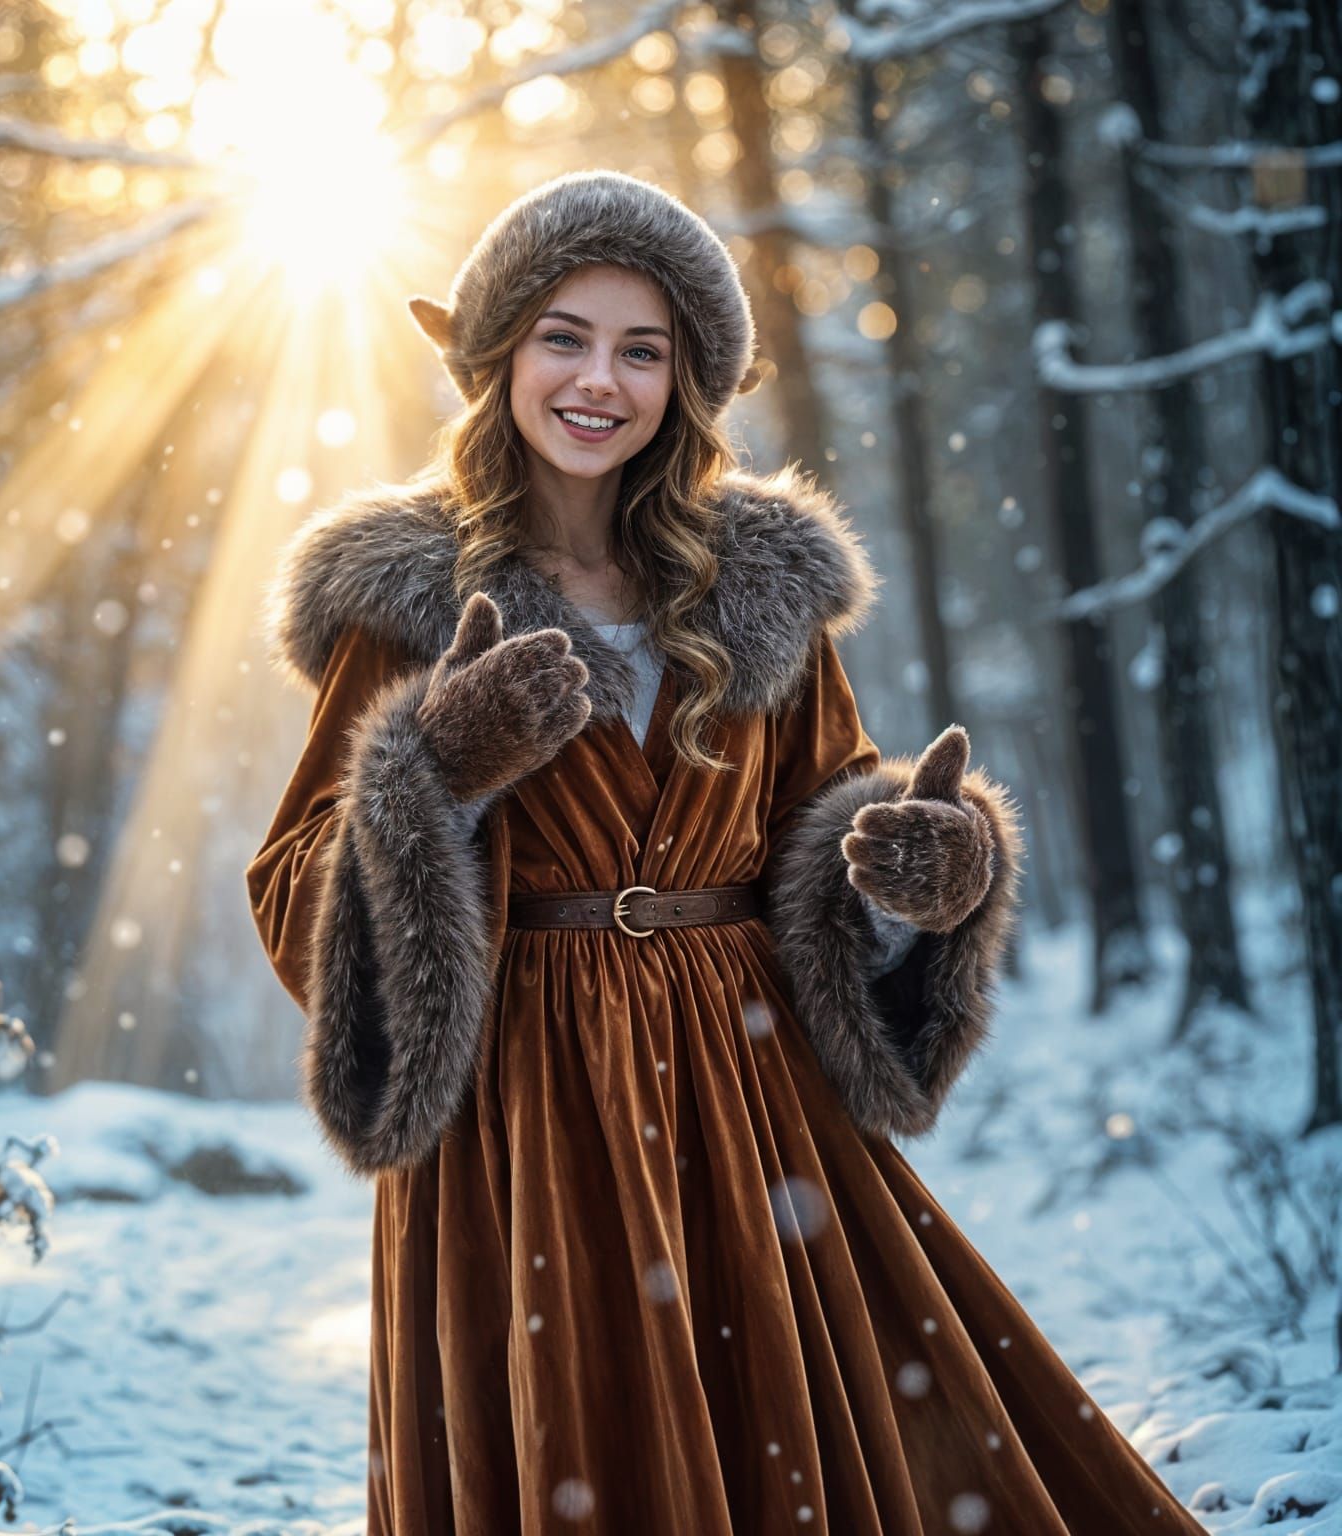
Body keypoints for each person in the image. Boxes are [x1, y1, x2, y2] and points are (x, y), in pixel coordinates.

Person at [246, 171, 1204, 1535]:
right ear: (499, 352)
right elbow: (296, 884)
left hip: (748, 1101)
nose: (600, 380)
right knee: (574, 1430)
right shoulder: (408, 598)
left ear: (689, 382)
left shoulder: (755, 592)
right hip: (522, 1120)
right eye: (564, 336)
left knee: (823, 1443)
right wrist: (433, 773)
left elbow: (827, 831)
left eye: (645, 350)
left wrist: (921, 883)